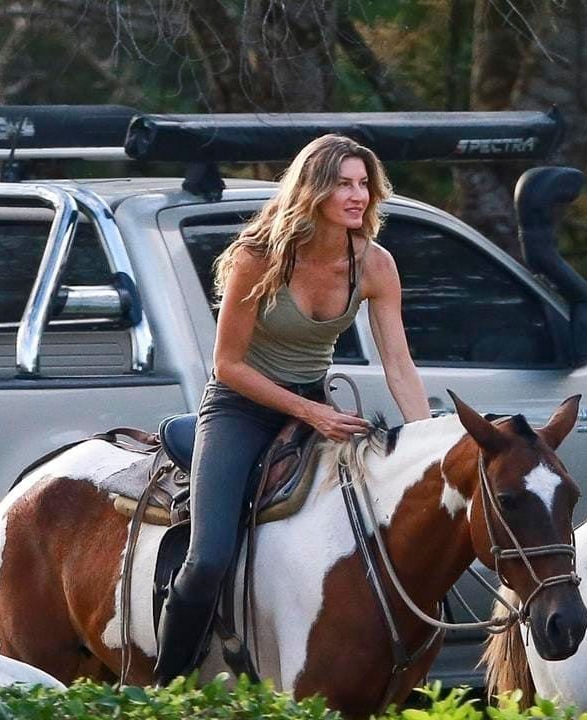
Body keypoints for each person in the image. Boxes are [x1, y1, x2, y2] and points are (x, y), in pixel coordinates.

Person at [154, 134, 431, 683]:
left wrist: (428, 443)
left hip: (315, 401)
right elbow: (228, 365)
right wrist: (310, 415)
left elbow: (399, 365)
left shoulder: (374, 264)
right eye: (344, 184)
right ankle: (166, 685)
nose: (359, 196)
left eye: (364, 185)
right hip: (240, 406)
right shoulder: (257, 258)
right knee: (208, 558)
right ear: (313, 190)